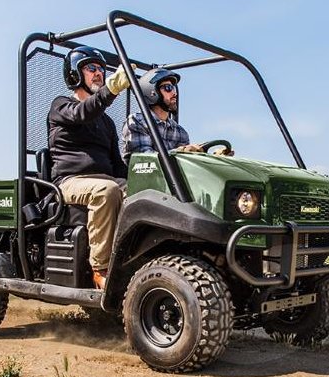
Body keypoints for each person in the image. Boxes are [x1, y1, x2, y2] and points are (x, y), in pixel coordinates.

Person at [47, 46, 131, 290]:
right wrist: (111, 90)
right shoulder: (62, 105)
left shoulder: (107, 122)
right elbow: (82, 113)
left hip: (105, 179)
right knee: (106, 191)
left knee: (141, 194)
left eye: (102, 69)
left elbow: (117, 165)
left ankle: (131, 263)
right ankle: (100, 269)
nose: (98, 73)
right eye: (90, 68)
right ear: (74, 74)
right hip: (69, 182)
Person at [122, 68, 234, 162]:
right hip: (146, 185)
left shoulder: (180, 132)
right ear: (152, 92)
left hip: (174, 186)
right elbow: (144, 162)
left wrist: (212, 158)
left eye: (173, 88)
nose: (174, 93)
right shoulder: (137, 122)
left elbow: (187, 166)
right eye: (168, 88)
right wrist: (180, 152)